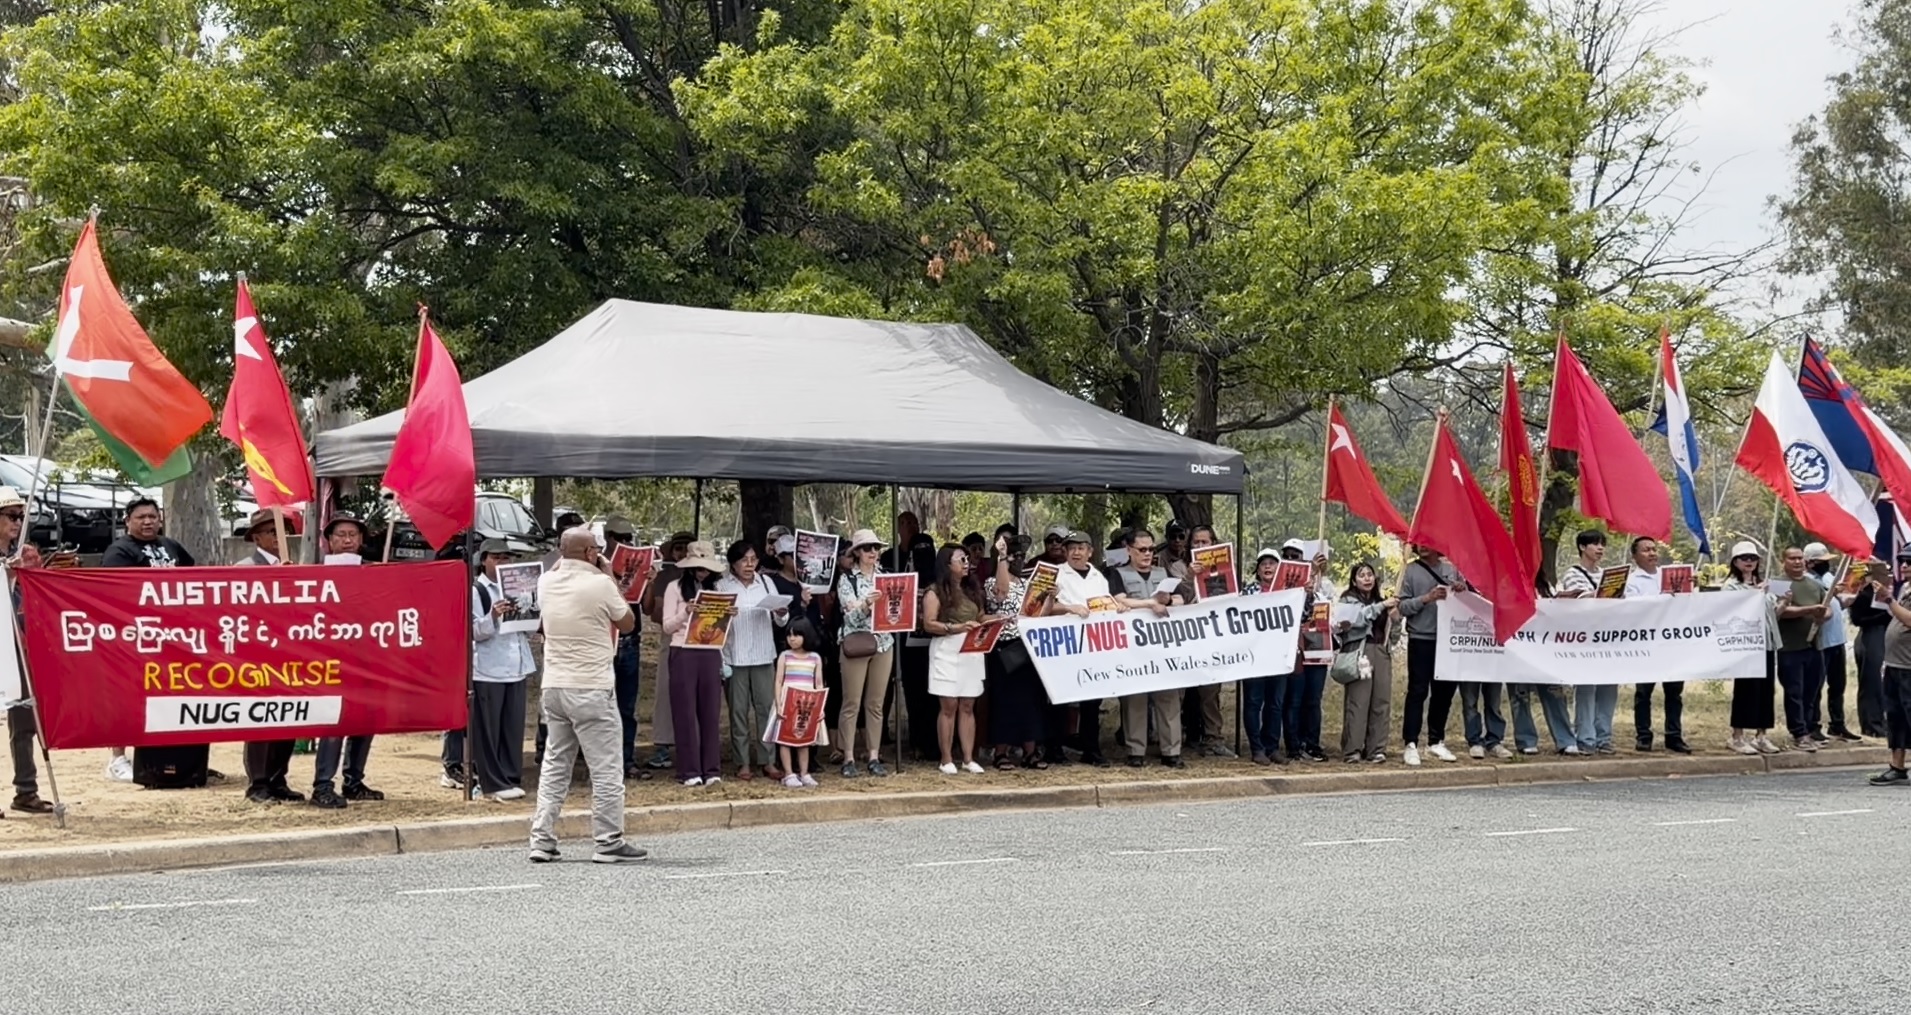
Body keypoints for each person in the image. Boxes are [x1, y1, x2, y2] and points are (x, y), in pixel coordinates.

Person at [528, 529, 646, 864]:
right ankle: (608, 839)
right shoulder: (600, 584)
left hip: (555, 685)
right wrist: (606, 571)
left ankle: (542, 838)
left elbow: (558, 567)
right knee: (606, 767)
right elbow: (627, 622)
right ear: (591, 552)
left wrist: (584, 558)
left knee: (555, 763)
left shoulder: (546, 583)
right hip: (591, 684)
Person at [99, 497, 197, 783]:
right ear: (127, 521)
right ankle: (117, 758)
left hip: (173, 637)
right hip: (135, 637)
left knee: (172, 692)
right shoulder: (119, 551)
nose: (148, 522)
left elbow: (195, 580)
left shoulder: (171, 547)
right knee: (127, 697)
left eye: (152, 516)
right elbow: (115, 596)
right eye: (141, 517)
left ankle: (181, 758)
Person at [311, 518, 384, 808]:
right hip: (331, 662)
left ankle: (354, 780)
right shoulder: (316, 573)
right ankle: (323, 785)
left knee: (365, 721)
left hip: (366, 658)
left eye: (353, 534)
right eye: (341, 534)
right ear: (328, 540)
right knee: (334, 724)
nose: (347, 540)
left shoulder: (372, 572)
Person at [455, 538, 536, 799]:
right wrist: (493, 616)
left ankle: (511, 776)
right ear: (484, 559)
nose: (502, 562)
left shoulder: (517, 586)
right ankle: (491, 782)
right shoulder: (477, 590)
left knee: (511, 727)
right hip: (488, 668)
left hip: (516, 665)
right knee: (487, 729)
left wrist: (530, 609)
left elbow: (530, 628)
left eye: (506, 558)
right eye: (496, 557)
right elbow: (472, 632)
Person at [233, 510, 302, 805]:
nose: (278, 537)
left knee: (288, 717)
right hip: (257, 655)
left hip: (288, 654)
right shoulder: (244, 567)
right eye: (272, 532)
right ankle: (258, 783)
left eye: (282, 531)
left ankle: (278, 778)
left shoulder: (295, 567)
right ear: (257, 537)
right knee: (261, 719)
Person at [1110, 528, 1184, 768]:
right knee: (1135, 700)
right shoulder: (1118, 574)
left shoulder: (1165, 573)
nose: (1147, 554)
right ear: (1129, 550)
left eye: (1151, 549)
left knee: (1169, 699)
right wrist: (1150, 604)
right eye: (1142, 549)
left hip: (1164, 647)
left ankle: (1171, 751)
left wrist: (1169, 600)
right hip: (1133, 649)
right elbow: (1118, 600)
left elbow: (1181, 599)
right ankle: (1135, 750)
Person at [2, 486, 55, 815]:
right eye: (11, 516)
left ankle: (26, 788)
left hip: (19, 643)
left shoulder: (27, 553)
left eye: (22, 516)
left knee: (24, 717)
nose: (18, 522)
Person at [1047, 531, 1121, 767]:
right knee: (1060, 699)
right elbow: (1042, 606)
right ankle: (1054, 749)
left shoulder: (1098, 576)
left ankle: (1092, 749)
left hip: (1093, 645)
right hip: (1065, 644)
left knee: (1092, 702)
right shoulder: (1056, 574)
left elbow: (1105, 603)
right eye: (1072, 548)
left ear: (1090, 551)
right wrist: (1069, 608)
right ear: (1066, 552)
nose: (1077, 552)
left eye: (1081, 548)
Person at [717, 541, 790, 781]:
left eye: (753, 560)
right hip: (735, 655)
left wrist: (780, 612)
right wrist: (724, 616)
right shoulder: (721, 586)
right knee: (738, 711)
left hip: (762, 654)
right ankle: (742, 762)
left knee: (766, 710)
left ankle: (768, 760)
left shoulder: (766, 583)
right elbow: (713, 625)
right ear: (733, 564)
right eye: (744, 560)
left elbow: (781, 619)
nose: (750, 565)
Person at [661, 541, 731, 786]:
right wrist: (686, 612)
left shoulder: (718, 589)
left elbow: (720, 629)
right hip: (683, 649)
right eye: (698, 568)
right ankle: (690, 770)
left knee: (710, 712)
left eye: (706, 568)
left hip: (710, 650)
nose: (703, 573)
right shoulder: (674, 588)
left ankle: (712, 769)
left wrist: (727, 616)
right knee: (685, 712)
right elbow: (667, 625)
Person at [983, 534, 1048, 770]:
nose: (1020, 560)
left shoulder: (1025, 583)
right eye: (1015, 556)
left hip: (1028, 644)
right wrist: (1002, 558)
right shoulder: (992, 582)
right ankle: (1001, 752)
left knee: (1030, 700)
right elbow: (1001, 593)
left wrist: (1049, 594)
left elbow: (1039, 611)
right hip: (1004, 646)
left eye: (1022, 556)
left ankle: (1030, 751)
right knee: (1005, 700)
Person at [834, 530, 895, 778]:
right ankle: (847, 756)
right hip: (856, 642)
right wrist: (867, 604)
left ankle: (873, 754)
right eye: (868, 547)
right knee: (851, 702)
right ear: (857, 552)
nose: (873, 552)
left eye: (876, 547)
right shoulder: (847, 579)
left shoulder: (887, 577)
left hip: (883, 642)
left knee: (876, 703)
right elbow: (850, 615)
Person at [924, 544, 988, 775]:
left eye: (967, 559)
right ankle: (946, 758)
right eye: (960, 559)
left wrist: (997, 619)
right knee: (949, 705)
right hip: (947, 649)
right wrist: (957, 627)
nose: (966, 564)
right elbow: (929, 623)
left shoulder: (972, 589)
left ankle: (968, 758)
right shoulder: (935, 591)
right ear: (947, 564)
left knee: (968, 705)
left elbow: (980, 617)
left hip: (972, 649)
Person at [1397, 545, 1463, 766]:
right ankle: (1411, 743)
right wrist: (1426, 598)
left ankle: (1436, 740)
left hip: (1449, 639)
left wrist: (1462, 591)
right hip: (1421, 638)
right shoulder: (1410, 571)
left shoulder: (1452, 570)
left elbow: (1469, 599)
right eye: (1419, 543)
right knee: (1417, 690)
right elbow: (1403, 606)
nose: (1423, 547)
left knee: (1444, 692)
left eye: (1428, 542)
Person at [1626, 537, 1690, 754]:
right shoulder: (1632, 580)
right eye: (1646, 550)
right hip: (1646, 643)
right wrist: (1661, 599)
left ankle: (1674, 735)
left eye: (1654, 549)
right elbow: (1631, 607)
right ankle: (1644, 736)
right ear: (1634, 556)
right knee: (1644, 692)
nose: (1652, 553)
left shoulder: (1669, 576)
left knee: (1674, 693)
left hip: (1672, 641)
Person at [600, 516, 652, 780]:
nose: (624, 544)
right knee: (601, 706)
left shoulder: (637, 566)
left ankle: (626, 758)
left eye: (628, 539)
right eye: (619, 538)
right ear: (607, 537)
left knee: (626, 707)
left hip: (630, 641)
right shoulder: (595, 566)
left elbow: (649, 607)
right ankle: (603, 764)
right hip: (604, 641)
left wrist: (649, 581)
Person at [638, 531, 696, 771]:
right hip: (671, 637)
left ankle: (693, 745)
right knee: (665, 692)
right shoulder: (664, 577)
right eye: (678, 548)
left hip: (700, 640)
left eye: (686, 548)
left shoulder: (703, 576)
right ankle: (662, 746)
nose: (681, 553)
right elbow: (653, 612)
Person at [1555, 530, 1615, 754]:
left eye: (1602, 544)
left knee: (1609, 688)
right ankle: (1586, 737)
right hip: (1585, 638)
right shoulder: (1573, 573)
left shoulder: (1607, 573)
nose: (1600, 548)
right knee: (1587, 688)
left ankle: (1604, 736)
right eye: (1594, 544)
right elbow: (1580, 599)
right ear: (1582, 547)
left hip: (1608, 637)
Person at [1176, 524, 1234, 756]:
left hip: (1213, 637)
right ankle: (1172, 742)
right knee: (1177, 692)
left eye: (1205, 542)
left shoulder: (1225, 568)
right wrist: (1190, 576)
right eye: (1196, 543)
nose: (1200, 547)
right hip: (1184, 638)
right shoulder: (1178, 567)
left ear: (1213, 543)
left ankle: (1213, 739)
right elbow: (1176, 598)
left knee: (1210, 692)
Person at [1508, 570, 1576, 757]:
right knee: (1520, 696)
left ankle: (1565, 740)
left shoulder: (1546, 587)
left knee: (1555, 694)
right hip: (1519, 650)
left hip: (1546, 653)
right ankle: (1526, 740)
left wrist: (1561, 601)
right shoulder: (1506, 584)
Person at [1335, 561, 1398, 764]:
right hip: (1359, 651)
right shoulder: (1348, 600)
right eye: (1362, 575)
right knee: (1358, 701)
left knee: (1381, 701)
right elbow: (1357, 620)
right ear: (1354, 580)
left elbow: (1393, 635)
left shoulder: (1382, 601)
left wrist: (1395, 619)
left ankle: (1376, 749)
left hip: (1381, 651)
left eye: (1370, 574)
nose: (1367, 578)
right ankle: (1352, 748)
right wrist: (1381, 606)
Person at [1722, 542, 1781, 756]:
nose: (1749, 562)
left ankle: (1761, 735)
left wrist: (1783, 602)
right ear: (1735, 562)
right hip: (1745, 645)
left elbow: (1773, 613)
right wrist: (1753, 595)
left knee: (1766, 690)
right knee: (1746, 690)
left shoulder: (1763, 584)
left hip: (1766, 642)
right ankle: (1737, 736)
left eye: (1753, 558)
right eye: (1744, 558)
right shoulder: (1730, 586)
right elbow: (1730, 610)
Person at [1775, 546, 1833, 752]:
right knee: (1794, 692)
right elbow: (1781, 611)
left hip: (1814, 647)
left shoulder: (1814, 585)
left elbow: (1828, 610)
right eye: (1792, 558)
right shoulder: (1779, 584)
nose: (1797, 562)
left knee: (1812, 690)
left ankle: (1809, 729)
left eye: (1800, 558)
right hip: (1790, 648)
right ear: (1784, 561)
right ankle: (1798, 733)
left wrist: (1822, 615)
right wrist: (1809, 610)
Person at [1279, 539, 1332, 763]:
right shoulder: (1280, 586)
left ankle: (1312, 743)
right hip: (1294, 650)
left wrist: (1315, 577)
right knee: (1294, 699)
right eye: (1288, 556)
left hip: (1317, 649)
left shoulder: (1324, 585)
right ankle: (1294, 744)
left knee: (1313, 699)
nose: (1293, 560)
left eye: (1297, 555)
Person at [1803, 542, 1862, 742]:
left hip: (1837, 639)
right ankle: (1812, 725)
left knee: (1838, 685)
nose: (1826, 565)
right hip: (1820, 640)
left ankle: (1837, 724)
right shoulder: (1806, 582)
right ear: (1810, 563)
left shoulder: (1830, 578)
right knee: (1816, 686)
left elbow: (1840, 603)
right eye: (1822, 562)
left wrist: (1851, 595)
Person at [1239, 550, 1291, 764]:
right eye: (1264, 564)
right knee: (1253, 701)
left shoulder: (1289, 592)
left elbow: (1304, 615)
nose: (1268, 567)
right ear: (1258, 569)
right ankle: (1256, 748)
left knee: (1275, 703)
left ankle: (1272, 746)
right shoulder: (1247, 591)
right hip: (1254, 654)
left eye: (1272, 563)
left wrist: (1306, 594)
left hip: (1279, 654)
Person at [1864, 574, 1911, 785]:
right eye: (1903, 561)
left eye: (1909, 562)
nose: (1904, 566)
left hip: (1909, 667)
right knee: (1895, 717)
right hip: (1895, 664)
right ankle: (1897, 766)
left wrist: (1889, 600)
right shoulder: (1906, 589)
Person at [771, 618, 826, 788]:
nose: (792, 639)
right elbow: (779, 680)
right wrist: (779, 703)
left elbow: (819, 684)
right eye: (789, 635)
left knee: (804, 740)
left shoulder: (815, 658)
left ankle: (804, 773)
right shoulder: (784, 656)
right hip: (788, 702)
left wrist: (820, 707)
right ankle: (789, 773)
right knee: (785, 739)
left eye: (797, 635)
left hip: (807, 705)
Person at [1849, 554, 1898, 739]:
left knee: (1882, 682)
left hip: (1884, 636)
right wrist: (1885, 616)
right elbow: (1857, 619)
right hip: (1871, 636)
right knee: (1871, 682)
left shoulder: (1889, 592)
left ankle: (1881, 721)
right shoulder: (1865, 593)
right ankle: (1871, 724)